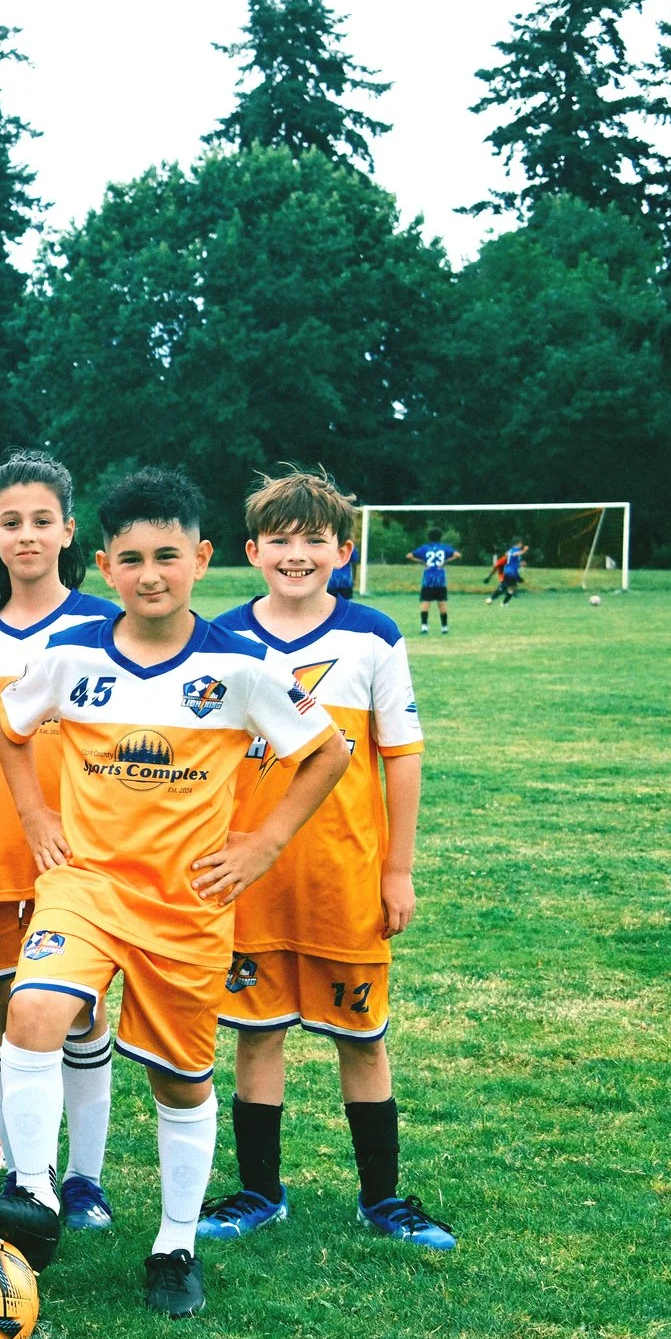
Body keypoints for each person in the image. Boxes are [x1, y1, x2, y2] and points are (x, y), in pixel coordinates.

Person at [0, 466, 347, 1319]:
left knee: (180, 1081)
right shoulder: (68, 659)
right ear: (104, 565)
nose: (150, 573)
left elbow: (328, 752)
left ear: (201, 559)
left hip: (186, 902)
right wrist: (34, 817)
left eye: (167, 556)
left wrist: (264, 840)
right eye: (131, 558)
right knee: (32, 1012)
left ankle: (174, 1243)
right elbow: (9, 724)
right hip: (87, 885)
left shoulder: (239, 669)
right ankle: (33, 1195)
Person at [203, 472, 451, 1251]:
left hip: (343, 875)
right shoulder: (221, 638)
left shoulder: (372, 634)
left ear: (344, 550)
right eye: (279, 538)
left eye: (315, 539)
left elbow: (403, 757)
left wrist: (396, 869)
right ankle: (257, 1190)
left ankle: (382, 1198)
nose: (297, 553)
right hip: (250, 879)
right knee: (255, 1032)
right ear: (251, 551)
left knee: (362, 1035)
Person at [0, 454, 120, 1228]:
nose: (27, 534)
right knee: (15, 1006)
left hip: (79, 859)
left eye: (42, 520)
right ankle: (30, 1175)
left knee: (78, 1012)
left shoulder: (100, 630)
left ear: (69, 530)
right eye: (11, 522)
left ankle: (84, 1177)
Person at [408, 532, 457, 635]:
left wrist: (422, 562)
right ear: (440, 537)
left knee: (426, 602)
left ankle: (424, 627)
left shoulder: (425, 548)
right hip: (440, 578)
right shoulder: (444, 547)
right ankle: (444, 628)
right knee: (442, 602)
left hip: (428, 578)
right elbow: (457, 555)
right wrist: (445, 562)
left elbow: (409, 556)